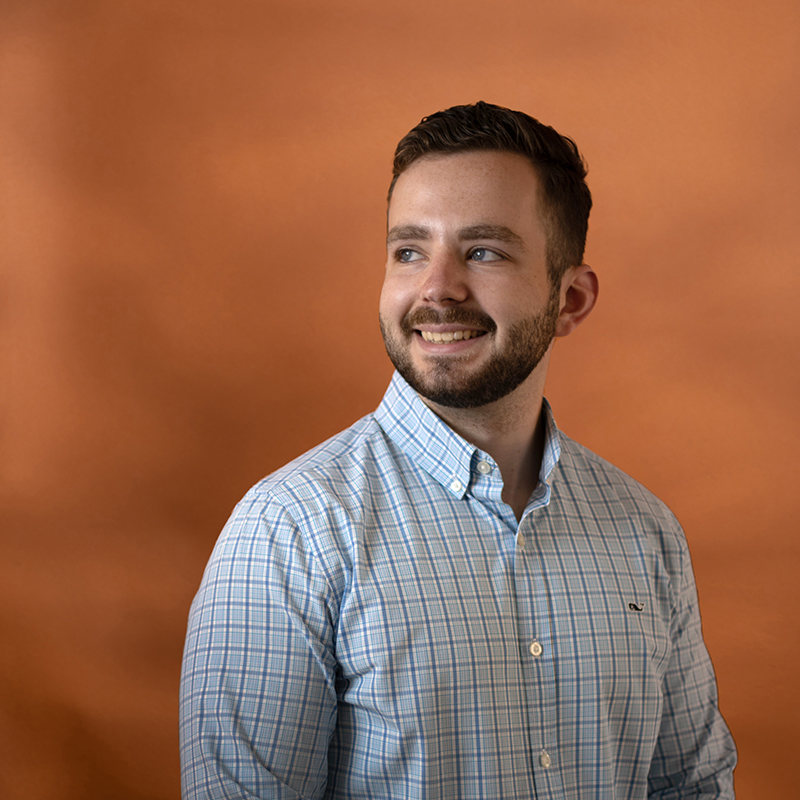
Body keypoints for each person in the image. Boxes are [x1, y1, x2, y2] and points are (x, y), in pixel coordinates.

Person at [180, 101, 737, 799]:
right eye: (409, 250)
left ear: (570, 300)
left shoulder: (645, 532)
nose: (436, 288)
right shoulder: (289, 531)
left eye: (483, 251)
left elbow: (692, 785)